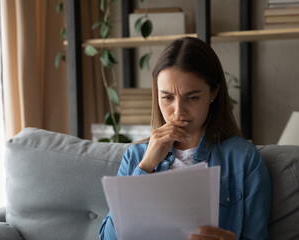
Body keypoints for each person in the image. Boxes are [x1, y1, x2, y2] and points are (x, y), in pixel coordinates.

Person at [99, 37, 271, 240]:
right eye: (168, 98)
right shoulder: (135, 158)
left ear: (214, 92)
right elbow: (108, 238)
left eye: (192, 97)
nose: (178, 111)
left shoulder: (243, 160)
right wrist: (146, 166)